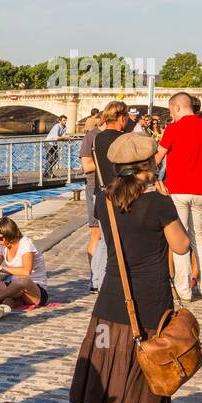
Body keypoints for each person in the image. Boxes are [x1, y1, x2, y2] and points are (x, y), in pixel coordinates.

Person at [69, 132, 191, 403]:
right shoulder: (159, 203)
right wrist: (169, 203)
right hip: (151, 303)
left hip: (111, 301)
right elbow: (181, 246)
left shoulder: (103, 200)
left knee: (110, 371)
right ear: (149, 164)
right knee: (147, 373)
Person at [155, 92, 202, 300]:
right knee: (200, 238)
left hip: (177, 190)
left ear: (176, 107)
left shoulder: (173, 129)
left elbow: (157, 157)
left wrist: (156, 181)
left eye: (170, 111)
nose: (171, 115)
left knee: (181, 240)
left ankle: (184, 290)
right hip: (201, 190)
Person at [81, 100, 129, 292]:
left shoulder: (97, 138)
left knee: (102, 238)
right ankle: (113, 278)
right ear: (121, 117)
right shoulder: (121, 139)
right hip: (118, 191)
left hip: (100, 191)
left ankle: (97, 280)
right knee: (119, 236)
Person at [0, 216, 48, 307]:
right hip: (14, 287)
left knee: (22, 281)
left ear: (9, 235)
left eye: (0, 238)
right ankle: (11, 301)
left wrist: (0, 268)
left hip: (34, 289)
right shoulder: (3, 246)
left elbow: (26, 271)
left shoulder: (25, 244)